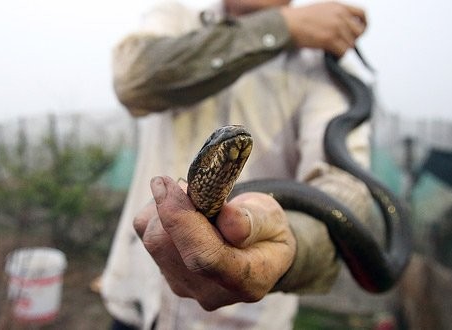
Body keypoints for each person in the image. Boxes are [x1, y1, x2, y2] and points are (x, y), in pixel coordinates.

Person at [101, 0, 373, 329]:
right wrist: (281, 28)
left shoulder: (324, 69)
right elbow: (133, 79)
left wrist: (288, 247)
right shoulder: (175, 19)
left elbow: (346, 191)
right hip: (136, 308)